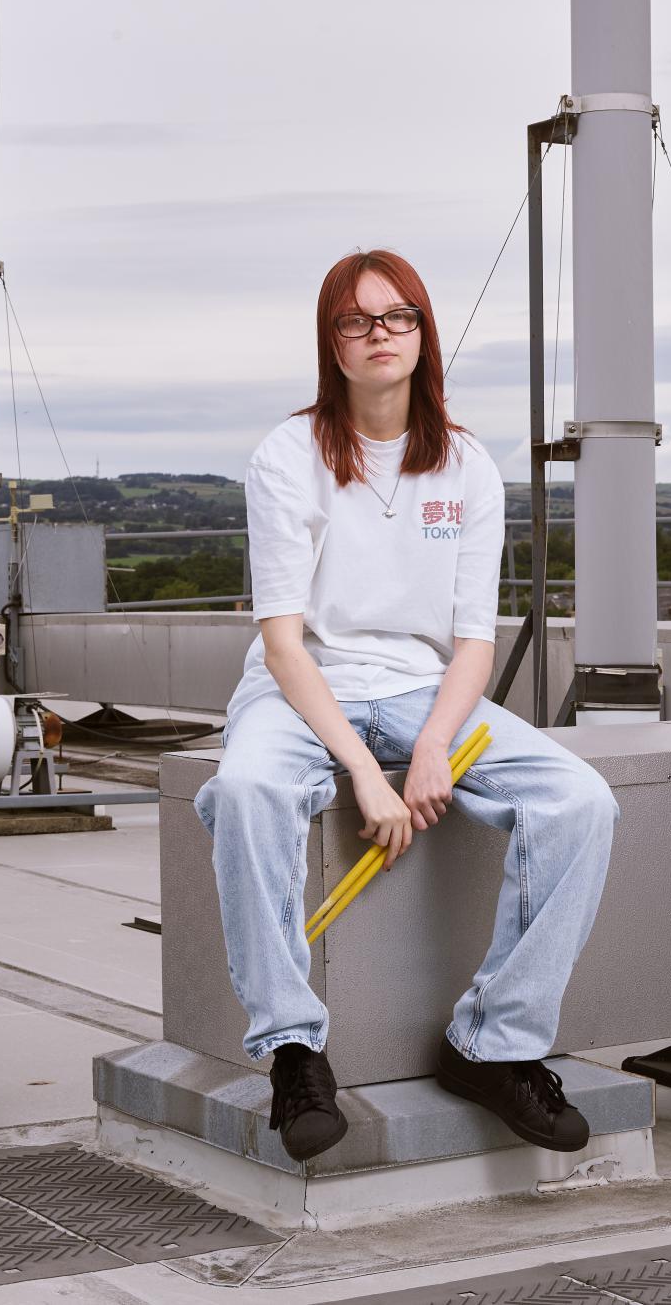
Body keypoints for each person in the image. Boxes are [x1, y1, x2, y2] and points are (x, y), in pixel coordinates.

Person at [195, 249, 618, 1162]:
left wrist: (433, 750)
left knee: (581, 801)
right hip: (298, 690)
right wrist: (364, 774)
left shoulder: (465, 465)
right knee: (245, 794)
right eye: (357, 320)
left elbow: (474, 641)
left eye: (398, 318)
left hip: (428, 690)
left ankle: (494, 1045)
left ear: (424, 335)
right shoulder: (287, 455)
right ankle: (294, 1049)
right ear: (331, 344)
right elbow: (282, 641)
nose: (379, 335)